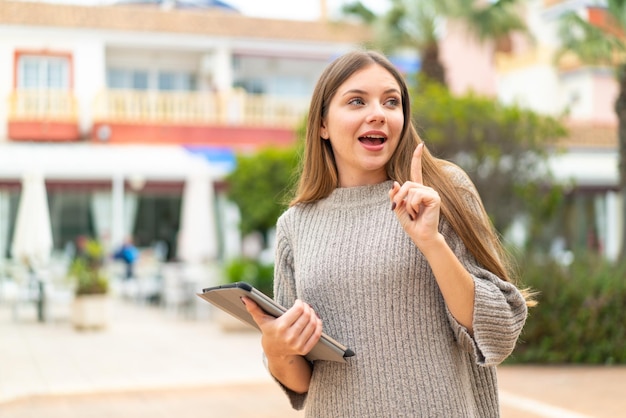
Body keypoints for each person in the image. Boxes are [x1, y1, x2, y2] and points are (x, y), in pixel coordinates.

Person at [242, 50, 532, 417]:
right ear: (323, 125)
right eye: (357, 101)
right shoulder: (295, 225)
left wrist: (431, 242)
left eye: (391, 101)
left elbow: (499, 334)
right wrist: (276, 348)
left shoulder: (440, 191)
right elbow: (302, 382)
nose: (378, 112)